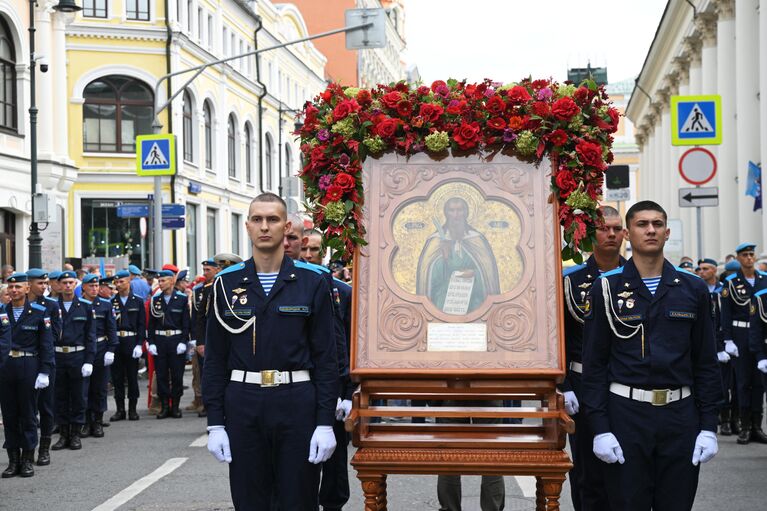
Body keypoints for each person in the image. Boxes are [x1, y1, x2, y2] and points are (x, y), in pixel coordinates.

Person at [582, 201, 721, 511]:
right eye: (642, 224)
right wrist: (600, 428)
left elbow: (706, 362)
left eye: (657, 224)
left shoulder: (693, 289)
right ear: (628, 234)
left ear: (667, 232)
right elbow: (594, 366)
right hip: (626, 417)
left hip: (679, 416)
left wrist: (709, 426)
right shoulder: (607, 289)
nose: (651, 230)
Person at [204, 193, 338, 511]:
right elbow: (215, 359)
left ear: (286, 226)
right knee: (250, 501)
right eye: (258, 219)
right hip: (244, 404)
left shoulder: (312, 281)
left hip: (296, 403)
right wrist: (215, 423)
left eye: (273, 219)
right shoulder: (225, 284)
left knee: (299, 500)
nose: (265, 226)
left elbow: (326, 358)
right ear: (248, 226)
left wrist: (324, 422)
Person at [284, 215, 353, 511]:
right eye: (305, 250)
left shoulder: (343, 291)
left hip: (333, 388)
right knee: (299, 462)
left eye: (315, 250)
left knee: (335, 459)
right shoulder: (292, 286)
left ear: (324, 253)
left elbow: (348, 345)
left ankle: (333, 505)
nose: (309, 254)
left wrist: (349, 392)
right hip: (300, 386)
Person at [561, 205, 625, 511]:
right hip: (584, 384)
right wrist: (564, 385)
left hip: (628, 382)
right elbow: (559, 338)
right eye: (603, 228)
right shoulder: (571, 281)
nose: (611, 234)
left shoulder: (640, 277)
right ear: (589, 232)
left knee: (629, 469)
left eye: (617, 228)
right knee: (588, 472)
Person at [0, 273, 54, 478]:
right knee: (10, 414)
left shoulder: (39, 312)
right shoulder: (2, 312)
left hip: (28, 364)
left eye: (18, 287)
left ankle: (27, 458)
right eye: (10, 287)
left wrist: (45, 371)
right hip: (6, 366)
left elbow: (46, 345)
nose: (14, 290)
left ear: (26, 289)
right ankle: (13, 459)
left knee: (29, 413)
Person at [416, 196, 500, 314]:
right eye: (452, 210)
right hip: (444, 298)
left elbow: (488, 273)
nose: (456, 215)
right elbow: (428, 278)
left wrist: (474, 273)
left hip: (472, 295)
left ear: (466, 213)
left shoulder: (476, 239)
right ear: (446, 213)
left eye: (460, 210)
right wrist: (443, 258)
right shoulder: (436, 241)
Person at [719, 242, 767, 444]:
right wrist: (727, 340)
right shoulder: (731, 282)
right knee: (743, 382)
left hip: (761, 336)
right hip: (739, 334)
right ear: (738, 259)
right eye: (745, 255)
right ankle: (745, 426)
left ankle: (757, 425)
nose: (749, 258)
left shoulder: (764, 280)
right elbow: (726, 314)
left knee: (759, 383)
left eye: (751, 255)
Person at [51, 270, 97, 451]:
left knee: (78, 396)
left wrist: (89, 361)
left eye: (71, 282)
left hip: (78, 356)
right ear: (59, 285)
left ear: (76, 285)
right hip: (58, 355)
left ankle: (76, 433)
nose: (68, 286)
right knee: (59, 396)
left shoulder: (85, 306)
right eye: (64, 283)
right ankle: (63, 434)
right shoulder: (53, 306)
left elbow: (90, 336)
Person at [26, 268, 61, 466]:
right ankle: (28, 448)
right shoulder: (17, 305)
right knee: (27, 408)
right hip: (24, 362)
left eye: (46, 283)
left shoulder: (51, 306)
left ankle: (44, 448)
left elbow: (55, 335)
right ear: (28, 284)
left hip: (44, 360)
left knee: (46, 407)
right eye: (40, 283)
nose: (45, 287)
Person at [147, 269, 190, 419]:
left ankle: (176, 406)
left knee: (177, 375)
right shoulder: (155, 300)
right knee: (161, 375)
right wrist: (151, 342)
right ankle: (165, 406)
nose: (160, 283)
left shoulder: (182, 299)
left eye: (163, 280)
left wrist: (184, 341)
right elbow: (151, 324)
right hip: (160, 341)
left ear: (172, 281)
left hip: (176, 340)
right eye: (159, 281)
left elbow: (186, 323)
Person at [79, 274, 118, 438]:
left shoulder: (105, 305)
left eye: (96, 286)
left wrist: (111, 349)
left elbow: (111, 328)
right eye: (91, 286)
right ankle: (87, 422)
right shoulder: (79, 305)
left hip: (101, 347)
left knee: (100, 388)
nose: (94, 289)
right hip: (84, 350)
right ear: (84, 288)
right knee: (84, 388)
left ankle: (98, 421)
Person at [110, 270, 145, 421]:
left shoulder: (137, 301)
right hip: (117, 342)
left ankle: (132, 409)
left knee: (132, 377)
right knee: (117, 377)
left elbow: (142, 324)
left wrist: (139, 344)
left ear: (128, 281)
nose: (118, 285)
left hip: (131, 341)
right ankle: (120, 409)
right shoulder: (112, 302)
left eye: (121, 282)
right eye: (116, 283)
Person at [189, 258, 219, 417]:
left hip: (220, 337)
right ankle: (207, 405)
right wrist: (197, 340)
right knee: (205, 373)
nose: (205, 273)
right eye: (204, 270)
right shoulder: (200, 290)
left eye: (208, 270)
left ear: (217, 270)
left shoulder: (222, 286)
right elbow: (197, 318)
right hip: (206, 338)